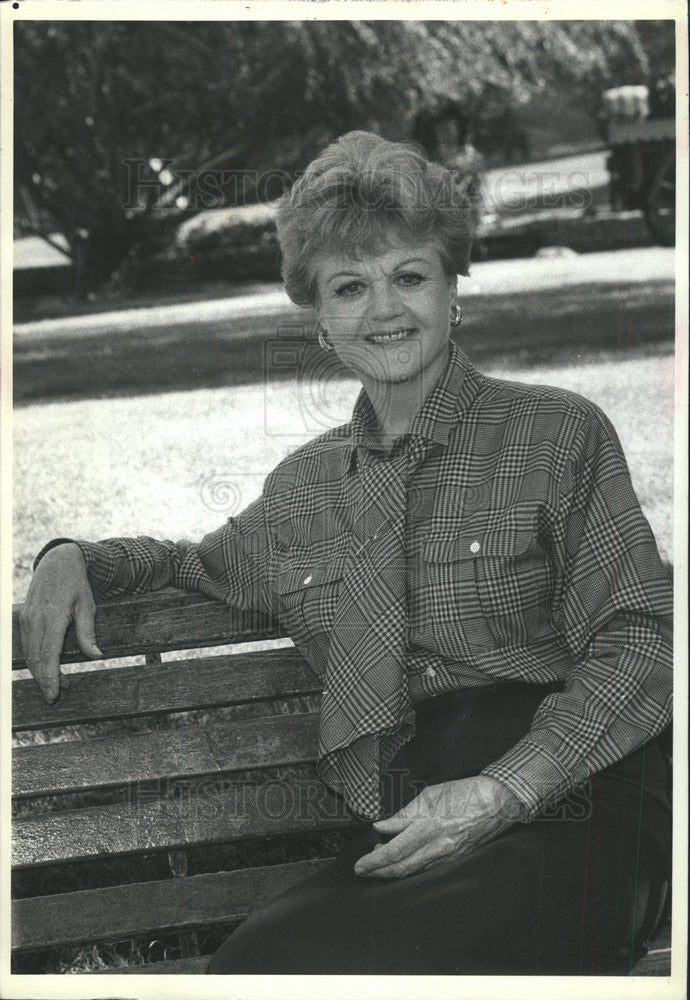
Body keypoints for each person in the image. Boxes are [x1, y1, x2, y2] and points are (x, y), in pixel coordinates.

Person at [21, 131, 673, 976]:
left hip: (580, 802)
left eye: (409, 275)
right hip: (409, 829)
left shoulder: (558, 433)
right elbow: (188, 564)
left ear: (451, 290)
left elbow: (642, 641)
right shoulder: (305, 489)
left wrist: (502, 790)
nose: (385, 309)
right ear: (321, 322)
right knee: (249, 973)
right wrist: (70, 556)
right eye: (350, 287)